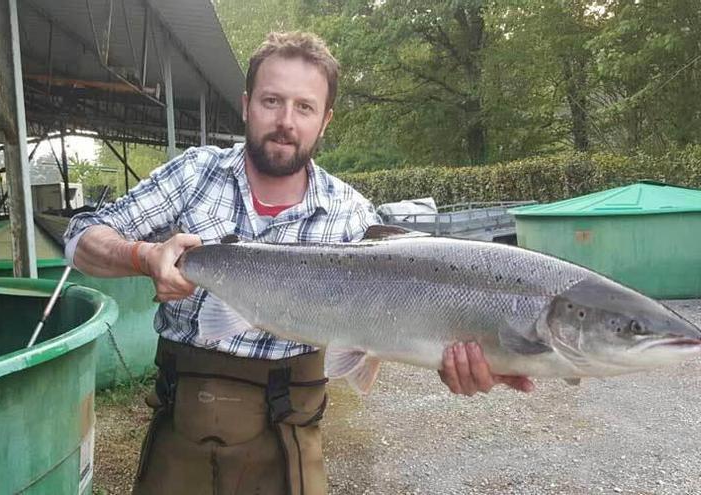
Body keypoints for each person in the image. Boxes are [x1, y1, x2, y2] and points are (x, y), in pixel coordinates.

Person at [65, 31, 534, 495]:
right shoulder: (193, 173)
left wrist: (464, 354)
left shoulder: (353, 217)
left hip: (288, 434)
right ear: (247, 104)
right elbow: (80, 235)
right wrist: (143, 255)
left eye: (304, 107)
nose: (286, 121)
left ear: (324, 121)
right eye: (272, 101)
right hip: (180, 424)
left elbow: (404, 314)